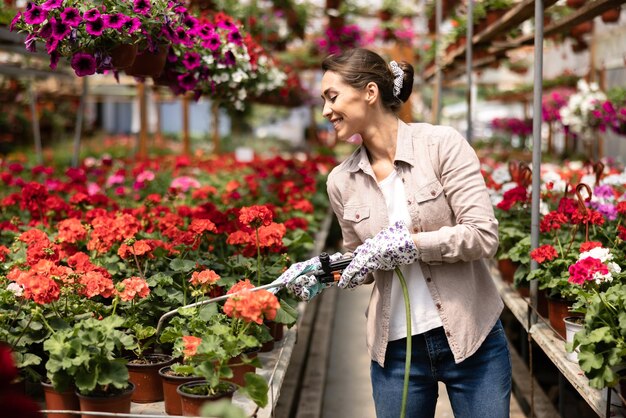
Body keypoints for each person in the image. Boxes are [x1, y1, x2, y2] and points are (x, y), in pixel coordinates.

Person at [274, 48, 511, 418]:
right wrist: (327, 270)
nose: (325, 111)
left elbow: (482, 235)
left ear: (369, 92)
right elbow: (365, 262)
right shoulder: (341, 181)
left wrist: (410, 246)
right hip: (397, 352)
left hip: (472, 337)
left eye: (332, 97)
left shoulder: (441, 146)